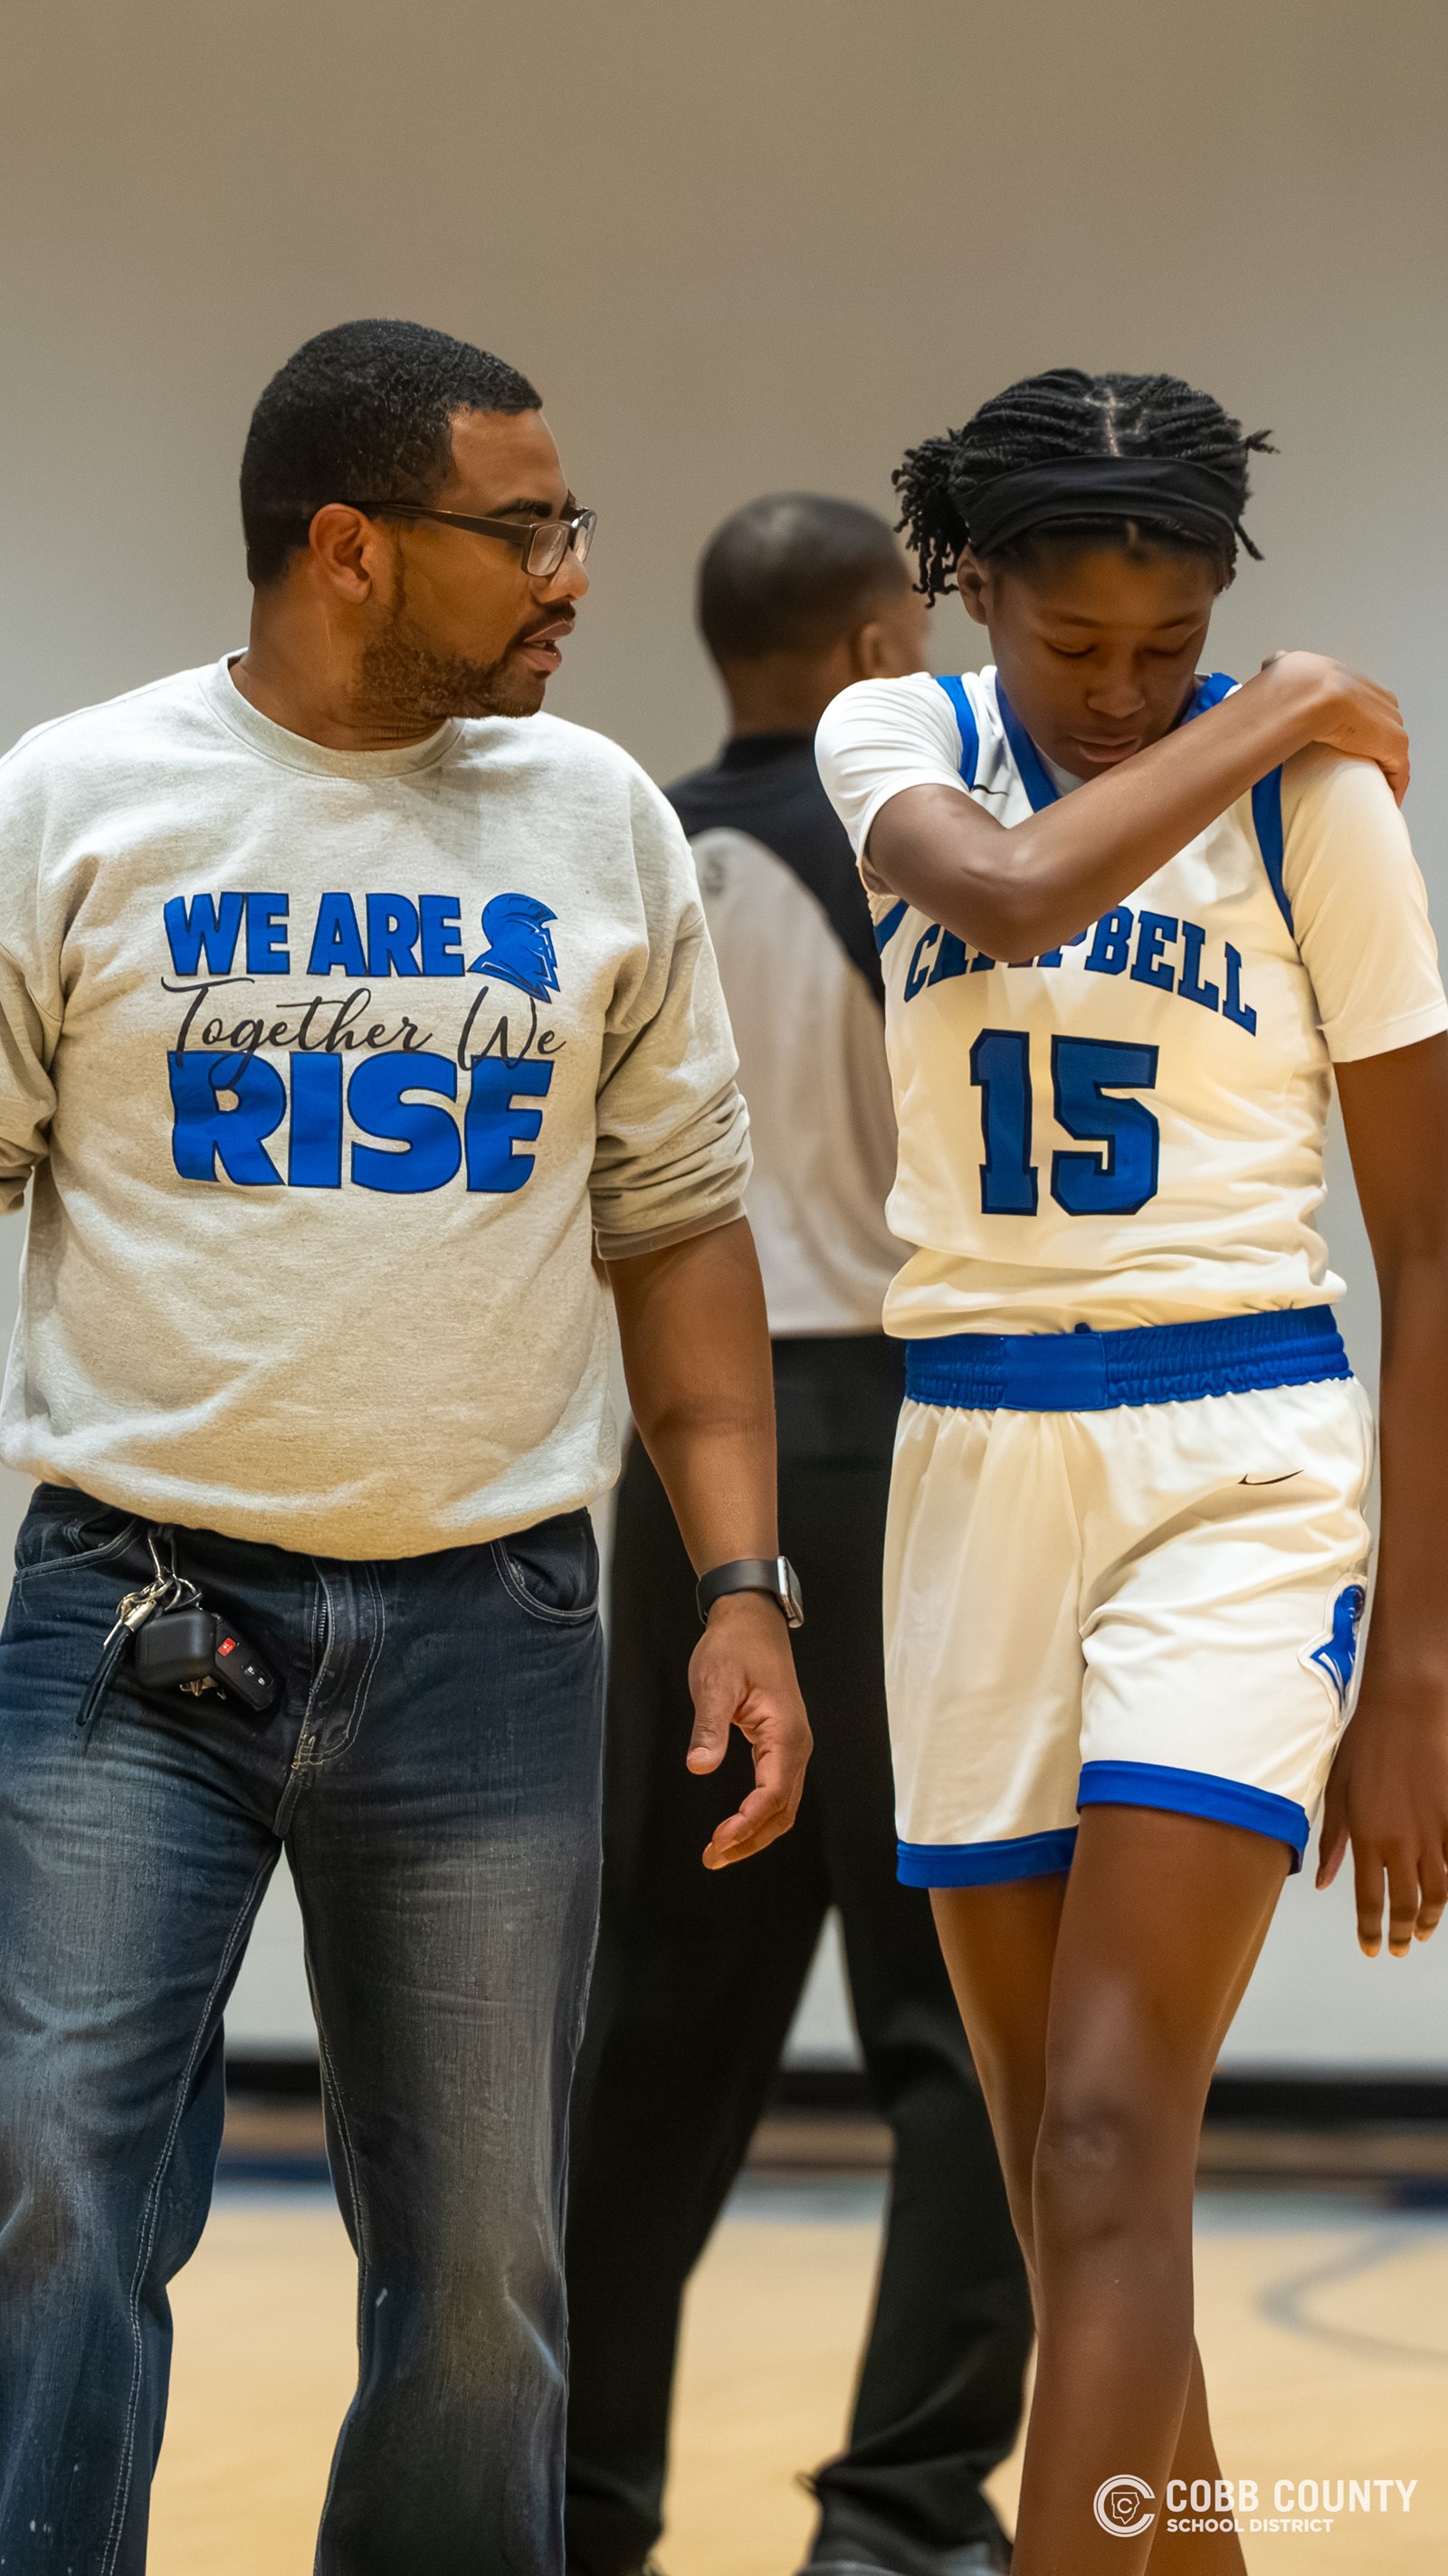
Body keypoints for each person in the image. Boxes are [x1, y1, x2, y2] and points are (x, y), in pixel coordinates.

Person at [0, 318, 813, 2576]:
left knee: (480, 2279)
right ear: (347, 547)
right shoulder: (77, 798)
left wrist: (743, 1587)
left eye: (573, 525)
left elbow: (677, 1236)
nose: (569, 571)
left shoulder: (603, 822)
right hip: (129, 1615)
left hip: (493, 1631)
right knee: (53, 2195)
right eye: (521, 528)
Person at [814, 366, 1448, 2571]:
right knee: (1057, 2157)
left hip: (1234, 1459)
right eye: (1070, 644)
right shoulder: (894, 740)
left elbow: (1429, 1243)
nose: (1115, 688)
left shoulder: (1316, 810)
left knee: (1103, 2136)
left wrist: (1419, 1671)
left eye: (1167, 646)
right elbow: (995, 898)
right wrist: (1263, 708)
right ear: (967, 590)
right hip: (972, 1459)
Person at [565, 496, 1032, 2576]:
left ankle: (574, 2501)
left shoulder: (622, 850)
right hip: (895, 1445)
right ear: (873, 645)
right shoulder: (929, 851)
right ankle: (901, 2508)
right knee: (956, 2020)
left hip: (684, 1482)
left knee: (657, 2015)